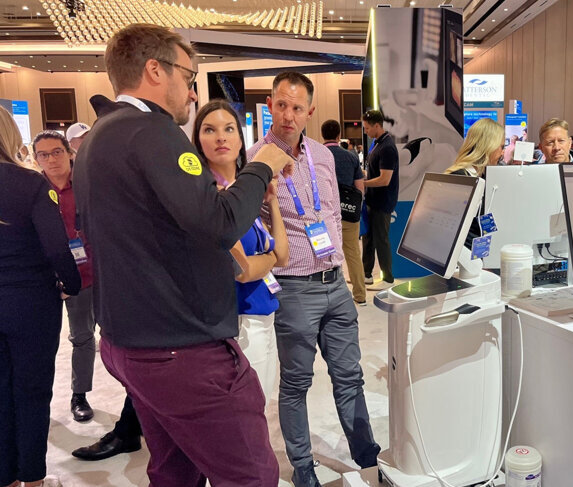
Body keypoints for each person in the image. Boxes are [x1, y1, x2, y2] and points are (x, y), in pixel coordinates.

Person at [73, 24, 292, 486]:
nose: (193, 94)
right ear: (155, 69)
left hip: (133, 341)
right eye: (189, 77)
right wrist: (263, 165)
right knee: (251, 474)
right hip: (182, 351)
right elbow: (218, 222)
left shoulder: (99, 136)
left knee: (175, 470)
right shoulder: (151, 131)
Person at [248, 71, 380, 487]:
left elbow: (332, 212)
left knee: (350, 376)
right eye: (281, 105)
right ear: (271, 105)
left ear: (310, 111)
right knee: (297, 383)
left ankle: (368, 457)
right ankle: (304, 468)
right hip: (294, 289)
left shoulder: (324, 156)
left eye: (297, 107)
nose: (288, 114)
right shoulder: (255, 160)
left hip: (335, 285)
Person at [1, 106, 81, 487]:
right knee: (32, 390)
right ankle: (32, 477)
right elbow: (56, 248)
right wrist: (73, 283)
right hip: (30, 303)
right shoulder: (30, 184)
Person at [194, 99, 289, 405]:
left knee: (261, 408)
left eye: (229, 128)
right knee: (246, 411)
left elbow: (284, 255)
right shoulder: (206, 196)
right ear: (198, 141)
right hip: (235, 325)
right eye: (210, 130)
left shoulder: (243, 192)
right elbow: (244, 269)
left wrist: (271, 200)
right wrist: (271, 259)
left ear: (240, 138)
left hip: (263, 317)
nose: (221, 137)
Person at [31, 130, 96, 424]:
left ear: (68, 152)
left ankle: (87, 393)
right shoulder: (33, 191)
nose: (51, 160)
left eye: (56, 152)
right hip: (54, 281)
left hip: (93, 274)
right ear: (36, 159)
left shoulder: (87, 184)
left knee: (100, 336)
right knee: (64, 339)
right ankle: (61, 396)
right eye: (43, 154)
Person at [321, 118, 367, 305]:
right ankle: (360, 296)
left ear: (323, 135)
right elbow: (360, 189)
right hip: (347, 213)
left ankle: (329, 297)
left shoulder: (317, 155)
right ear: (339, 135)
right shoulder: (351, 157)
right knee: (353, 254)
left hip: (324, 215)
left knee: (324, 256)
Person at [361, 109, 398, 286]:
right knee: (368, 238)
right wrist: (362, 176)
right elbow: (373, 172)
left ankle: (387, 278)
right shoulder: (376, 144)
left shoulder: (388, 147)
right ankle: (366, 274)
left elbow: (385, 179)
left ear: (377, 125)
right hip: (371, 200)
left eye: (367, 128)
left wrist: (363, 184)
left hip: (382, 202)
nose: (365, 131)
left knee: (381, 240)